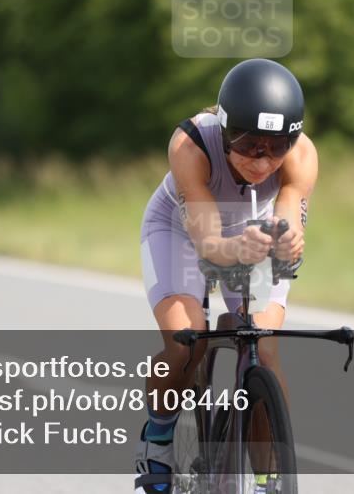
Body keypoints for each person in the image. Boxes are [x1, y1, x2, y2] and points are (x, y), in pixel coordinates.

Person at [134, 59, 318, 494]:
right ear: (224, 127)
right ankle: (157, 440)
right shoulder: (190, 144)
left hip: (253, 233)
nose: (262, 159)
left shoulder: (303, 155)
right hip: (183, 231)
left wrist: (288, 241)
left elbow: (288, 218)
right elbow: (209, 244)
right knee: (186, 340)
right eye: (249, 142)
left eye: (276, 147)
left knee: (264, 351)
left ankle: (268, 477)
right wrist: (236, 249)